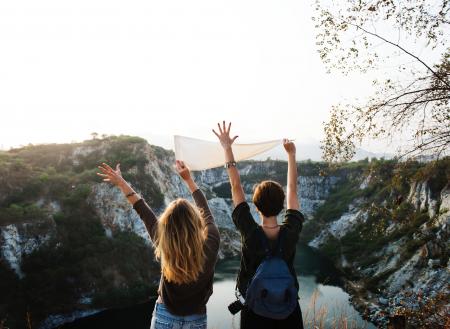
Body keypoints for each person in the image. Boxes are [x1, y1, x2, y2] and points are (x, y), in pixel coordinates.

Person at [97, 160, 220, 329]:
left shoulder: (162, 240)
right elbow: (205, 210)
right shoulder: (212, 242)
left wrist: (121, 182)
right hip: (196, 317)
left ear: (166, 224)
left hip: (165, 315)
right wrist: (188, 180)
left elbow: (141, 209)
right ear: (196, 222)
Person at [213, 121, 304, 329]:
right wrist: (291, 155)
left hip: (255, 310)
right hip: (288, 310)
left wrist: (227, 148)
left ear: (256, 206)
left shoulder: (250, 233)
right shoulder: (291, 232)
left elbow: (235, 186)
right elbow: (292, 190)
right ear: (282, 206)